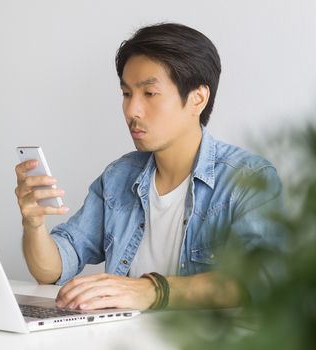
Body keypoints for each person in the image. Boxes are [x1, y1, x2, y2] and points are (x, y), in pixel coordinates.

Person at [14, 23, 282, 311]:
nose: (132, 111)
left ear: (198, 99)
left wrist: (150, 290)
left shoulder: (249, 179)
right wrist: (34, 224)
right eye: (127, 94)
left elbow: (258, 279)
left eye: (149, 94)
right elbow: (51, 269)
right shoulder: (119, 176)